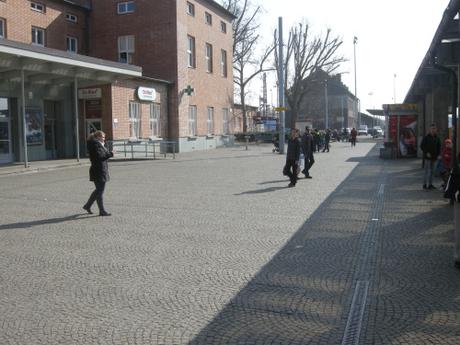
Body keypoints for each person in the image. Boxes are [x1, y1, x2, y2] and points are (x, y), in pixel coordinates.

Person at [83, 130, 114, 216]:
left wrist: (108, 152)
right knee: (100, 191)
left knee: (98, 190)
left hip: (100, 170)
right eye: (102, 137)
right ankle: (101, 210)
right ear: (97, 137)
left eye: (104, 137)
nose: (104, 139)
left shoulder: (99, 145)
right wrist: (110, 154)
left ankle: (87, 205)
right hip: (98, 171)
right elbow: (100, 157)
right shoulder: (96, 145)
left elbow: (104, 155)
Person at [420, 123, 441, 190]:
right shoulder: (426, 137)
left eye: (434, 128)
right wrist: (426, 153)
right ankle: (424, 185)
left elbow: (439, 147)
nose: (433, 130)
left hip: (434, 158)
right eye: (432, 128)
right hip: (427, 158)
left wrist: (438, 155)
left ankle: (430, 184)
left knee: (432, 172)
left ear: (436, 129)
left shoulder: (437, 138)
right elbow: (422, 146)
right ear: (429, 129)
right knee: (427, 171)